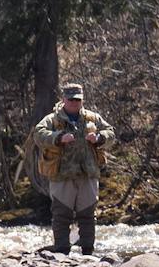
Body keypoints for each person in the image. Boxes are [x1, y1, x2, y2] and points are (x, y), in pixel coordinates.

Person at [32, 82, 111, 254]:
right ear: (64, 99)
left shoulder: (93, 118)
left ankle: (88, 251)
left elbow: (111, 132)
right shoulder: (52, 119)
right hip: (62, 175)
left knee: (88, 216)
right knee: (61, 216)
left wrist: (99, 137)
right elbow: (38, 134)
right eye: (71, 100)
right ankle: (61, 252)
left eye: (78, 100)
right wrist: (58, 138)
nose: (75, 103)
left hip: (87, 174)